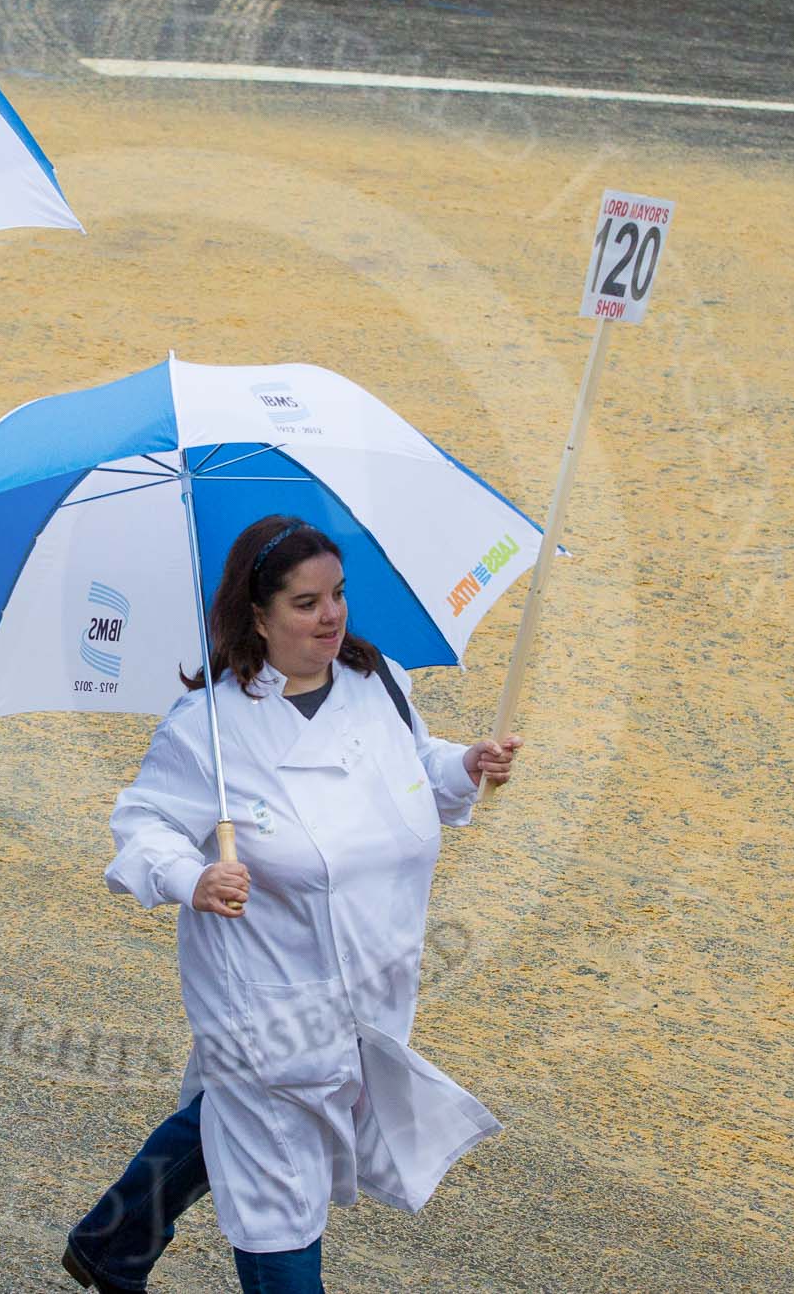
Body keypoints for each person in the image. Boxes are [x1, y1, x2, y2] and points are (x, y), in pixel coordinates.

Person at [63, 517, 522, 1294]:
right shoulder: (210, 725)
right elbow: (143, 825)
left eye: (338, 594)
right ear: (257, 616)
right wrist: (191, 878)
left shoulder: (378, 683)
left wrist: (462, 765)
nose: (333, 615)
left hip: (369, 988)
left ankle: (110, 1244)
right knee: (280, 1183)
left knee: (239, 1115)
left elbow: (409, 765)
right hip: (260, 999)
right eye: (306, 602)